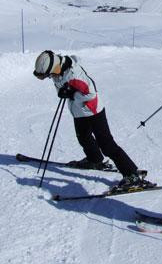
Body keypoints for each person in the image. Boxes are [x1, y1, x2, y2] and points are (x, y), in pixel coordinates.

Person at [33, 51, 151, 189]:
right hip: (79, 111)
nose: (51, 77)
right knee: (83, 137)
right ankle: (94, 159)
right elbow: (61, 86)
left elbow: (91, 93)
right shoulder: (58, 70)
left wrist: (72, 93)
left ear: (54, 68)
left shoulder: (74, 75)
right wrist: (64, 91)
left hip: (92, 110)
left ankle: (131, 174)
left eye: (50, 75)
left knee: (107, 144)